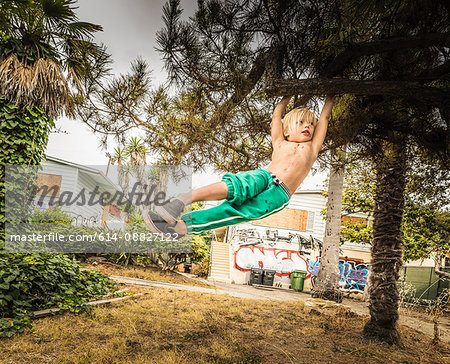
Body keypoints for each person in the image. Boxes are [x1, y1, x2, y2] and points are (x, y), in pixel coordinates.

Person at [144, 95, 334, 238]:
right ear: (286, 130)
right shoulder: (280, 142)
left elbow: (324, 119)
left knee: (235, 211)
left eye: (310, 123)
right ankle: (180, 200)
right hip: (264, 176)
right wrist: (286, 97)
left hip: (279, 194)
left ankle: (179, 227)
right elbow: (277, 115)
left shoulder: (312, 147)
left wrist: (330, 97)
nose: (307, 126)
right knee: (236, 185)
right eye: (300, 122)